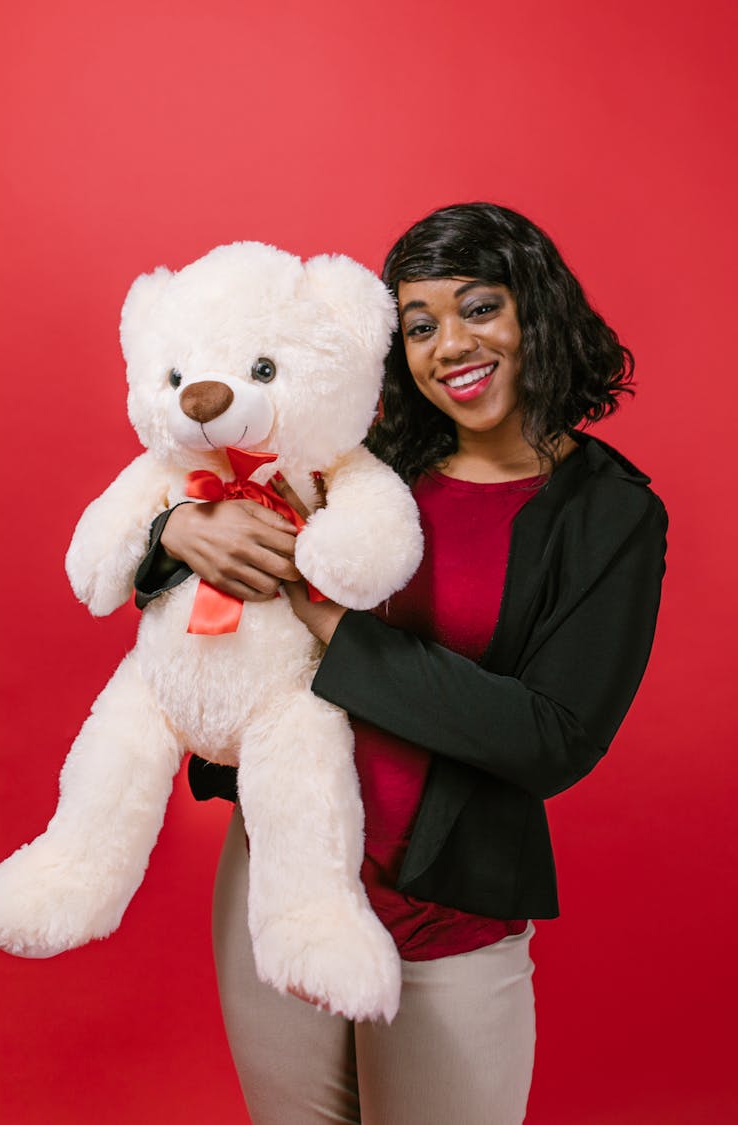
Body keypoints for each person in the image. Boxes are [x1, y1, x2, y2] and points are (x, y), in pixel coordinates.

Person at [135, 202, 668, 1124]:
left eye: (479, 308)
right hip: (284, 871)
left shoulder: (610, 515)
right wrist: (174, 527)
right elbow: (207, 511)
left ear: (536, 311)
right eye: (420, 324)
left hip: (446, 912)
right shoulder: (364, 458)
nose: (449, 344)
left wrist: (333, 622)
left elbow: (550, 736)